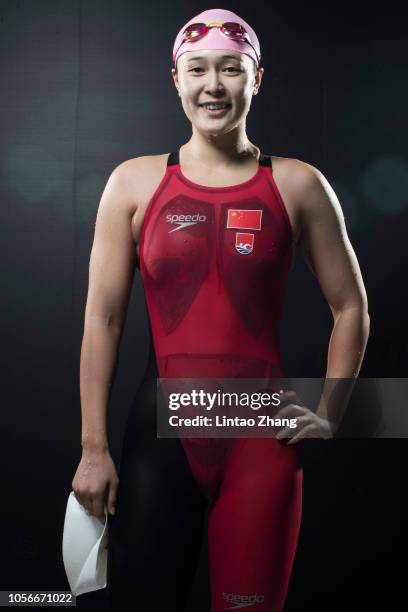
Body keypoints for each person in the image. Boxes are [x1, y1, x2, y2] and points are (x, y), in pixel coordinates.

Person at [71, 8, 370, 612]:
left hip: (262, 440)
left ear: (255, 79)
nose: (214, 85)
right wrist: (94, 448)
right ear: (175, 79)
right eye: (198, 69)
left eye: (232, 69)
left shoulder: (297, 184)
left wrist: (331, 411)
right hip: (162, 436)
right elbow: (102, 320)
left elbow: (351, 309)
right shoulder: (133, 183)